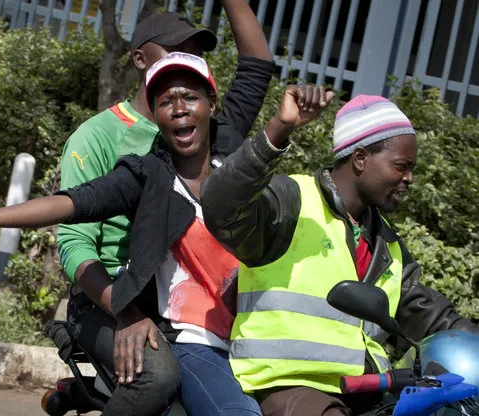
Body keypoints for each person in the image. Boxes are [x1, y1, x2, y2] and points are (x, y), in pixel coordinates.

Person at [0, 51, 312, 415]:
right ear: (157, 116)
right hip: (194, 338)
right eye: (166, 101)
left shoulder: (233, 169)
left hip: (254, 339)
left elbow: (261, 141)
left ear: (211, 104)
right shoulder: (147, 175)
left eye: (190, 97)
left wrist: (286, 122)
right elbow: (74, 203)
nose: (179, 108)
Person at [55, 2, 274, 415]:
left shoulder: (208, 131)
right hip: (111, 297)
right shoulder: (98, 137)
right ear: (140, 59)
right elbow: (74, 243)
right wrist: (125, 311)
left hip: (183, 312)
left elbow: (258, 65)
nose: (186, 60)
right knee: (157, 378)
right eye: (174, 50)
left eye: (195, 54)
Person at [199, 93, 479, 416]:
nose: (409, 179)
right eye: (402, 167)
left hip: (364, 393)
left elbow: (433, 317)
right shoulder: (292, 202)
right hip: (287, 385)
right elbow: (221, 208)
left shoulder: (387, 244)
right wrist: (277, 132)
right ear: (360, 158)